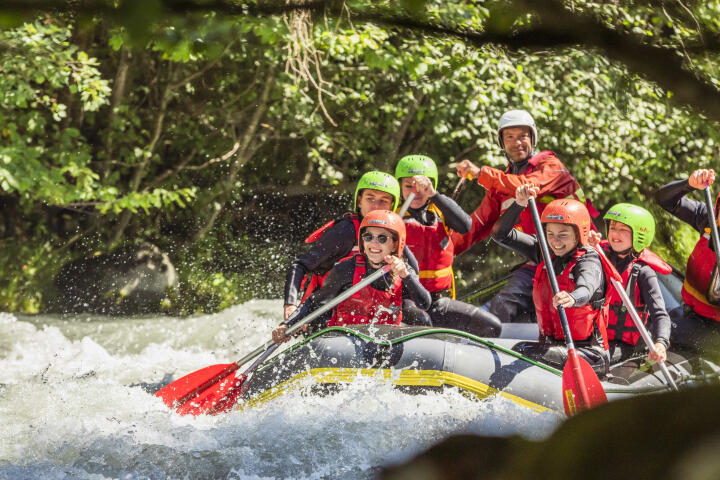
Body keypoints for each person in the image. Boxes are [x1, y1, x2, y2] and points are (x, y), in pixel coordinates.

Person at [454, 109, 597, 324]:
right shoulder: (499, 184)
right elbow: (476, 226)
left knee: (571, 306)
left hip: (580, 255)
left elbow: (525, 186)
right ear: (502, 143)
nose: (516, 142)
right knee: (504, 305)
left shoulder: (550, 166)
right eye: (509, 137)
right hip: (541, 257)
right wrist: (443, 250)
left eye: (522, 136)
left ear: (533, 138)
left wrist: (479, 173)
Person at [491, 184, 614, 374]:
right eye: (550, 234)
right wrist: (519, 204)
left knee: (523, 351)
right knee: (516, 351)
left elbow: (586, 287)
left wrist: (572, 298)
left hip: (588, 354)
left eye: (563, 235)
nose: (555, 241)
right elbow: (501, 235)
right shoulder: (545, 252)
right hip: (553, 347)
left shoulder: (589, 259)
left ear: (579, 234)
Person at [272, 210, 431, 342]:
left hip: (384, 340)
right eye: (368, 237)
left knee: (422, 319)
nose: (374, 244)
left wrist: (406, 275)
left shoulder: (403, 271)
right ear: (362, 241)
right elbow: (314, 303)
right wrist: (287, 324)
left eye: (382, 238)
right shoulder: (346, 268)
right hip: (345, 340)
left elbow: (425, 303)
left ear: (395, 244)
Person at [282, 171, 418, 321]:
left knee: (420, 316)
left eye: (383, 201)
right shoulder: (344, 231)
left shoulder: (392, 235)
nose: (376, 206)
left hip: (368, 307)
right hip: (328, 305)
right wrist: (290, 304)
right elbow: (300, 264)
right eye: (370, 199)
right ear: (359, 201)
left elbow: (413, 272)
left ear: (392, 206)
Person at [394, 154, 502, 336]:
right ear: (399, 187)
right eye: (408, 186)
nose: (416, 192)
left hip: (438, 301)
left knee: (491, 326)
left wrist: (434, 195)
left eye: (422, 186)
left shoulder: (441, 210)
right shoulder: (392, 215)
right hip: (405, 299)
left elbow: (465, 225)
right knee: (423, 322)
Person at [587, 203, 671, 363]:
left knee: (594, 359)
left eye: (623, 229)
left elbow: (660, 314)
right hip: (594, 338)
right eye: (612, 227)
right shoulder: (597, 255)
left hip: (624, 346)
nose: (615, 234)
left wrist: (661, 343)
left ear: (640, 234)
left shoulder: (644, 273)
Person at [655, 168, 720, 353]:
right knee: (652, 322)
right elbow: (664, 199)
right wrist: (689, 184)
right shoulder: (709, 220)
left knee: (657, 331)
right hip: (690, 314)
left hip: (714, 332)